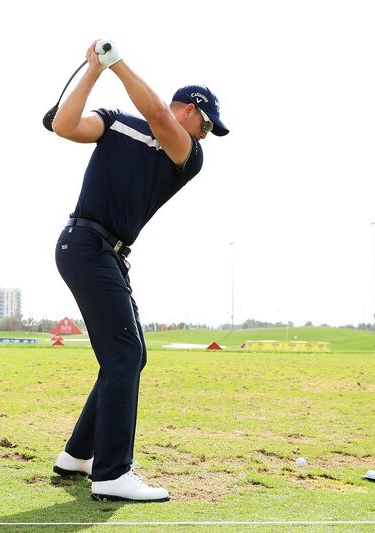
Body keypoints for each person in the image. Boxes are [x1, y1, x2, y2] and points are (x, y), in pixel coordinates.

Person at [49, 40, 228, 502]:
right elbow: (64, 125)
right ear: (190, 108)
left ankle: (78, 455)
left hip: (106, 253)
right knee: (125, 355)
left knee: (129, 355)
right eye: (206, 123)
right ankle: (111, 474)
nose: (206, 134)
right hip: (84, 245)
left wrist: (115, 63)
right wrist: (93, 69)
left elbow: (158, 119)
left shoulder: (187, 153)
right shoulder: (114, 122)